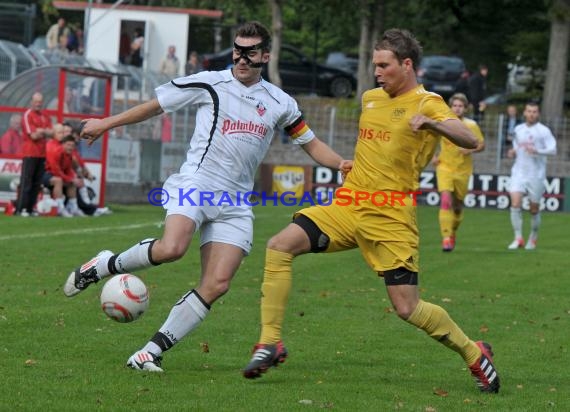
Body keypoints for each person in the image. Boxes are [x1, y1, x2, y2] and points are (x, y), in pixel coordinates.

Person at [63, 21, 347, 372]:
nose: (242, 59)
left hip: (236, 203)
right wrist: (106, 123)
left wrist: (342, 164)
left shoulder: (280, 102)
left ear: (266, 56)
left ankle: (149, 352)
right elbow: (155, 106)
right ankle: (105, 264)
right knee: (172, 248)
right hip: (196, 184)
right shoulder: (211, 83)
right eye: (238, 50)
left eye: (251, 52)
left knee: (217, 283)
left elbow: (311, 143)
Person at [242, 28, 501, 394]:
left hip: (390, 217)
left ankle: (474, 353)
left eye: (384, 65)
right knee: (280, 245)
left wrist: (432, 124)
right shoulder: (370, 98)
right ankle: (270, 343)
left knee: (407, 308)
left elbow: (471, 140)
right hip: (349, 205)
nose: (376, 72)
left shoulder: (427, 102)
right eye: (374, 65)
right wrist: (352, 166)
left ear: (406, 64)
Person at [432, 93, 485, 252]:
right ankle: (446, 238)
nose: (457, 108)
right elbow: (430, 139)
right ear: (450, 107)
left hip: (463, 170)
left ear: (466, 108)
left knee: (457, 207)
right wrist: (434, 156)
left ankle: (453, 231)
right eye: (454, 105)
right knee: (445, 200)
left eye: (460, 106)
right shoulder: (443, 123)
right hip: (445, 167)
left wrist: (470, 149)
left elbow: (481, 145)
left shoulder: (471, 125)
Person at [507, 102, 557, 250]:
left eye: (534, 112)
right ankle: (518, 238)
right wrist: (513, 151)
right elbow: (518, 145)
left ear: (538, 114)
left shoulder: (544, 131)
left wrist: (537, 151)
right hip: (519, 172)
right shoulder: (518, 129)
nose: (531, 114)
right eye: (529, 111)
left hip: (536, 174)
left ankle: (533, 237)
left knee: (533, 209)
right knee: (515, 204)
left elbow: (553, 150)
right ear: (524, 113)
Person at [16, 92, 53, 217]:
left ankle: (31, 208)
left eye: (40, 101)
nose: (38, 104)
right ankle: (21, 209)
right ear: (31, 102)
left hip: (42, 154)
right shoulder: (28, 115)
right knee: (27, 181)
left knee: (37, 183)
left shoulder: (45, 116)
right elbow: (33, 135)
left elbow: (52, 132)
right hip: (30, 153)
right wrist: (43, 131)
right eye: (36, 101)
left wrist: (40, 131)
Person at [43, 133, 83, 217]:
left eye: (72, 145)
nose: (70, 147)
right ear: (63, 144)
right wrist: (70, 179)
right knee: (58, 180)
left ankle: (73, 207)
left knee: (72, 183)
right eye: (68, 145)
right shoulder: (56, 152)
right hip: (45, 174)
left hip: (58, 175)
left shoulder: (70, 155)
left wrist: (73, 178)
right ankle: (59, 208)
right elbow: (55, 171)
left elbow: (68, 170)